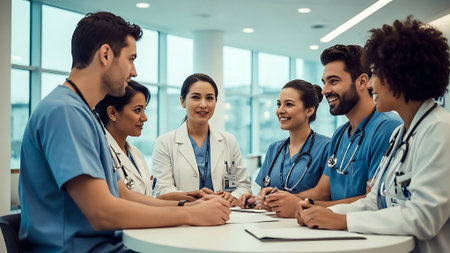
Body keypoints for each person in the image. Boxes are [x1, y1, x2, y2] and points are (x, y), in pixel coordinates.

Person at [19, 12, 230, 253]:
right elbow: (102, 212)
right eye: (131, 59)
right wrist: (190, 214)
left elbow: (122, 195)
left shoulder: (83, 113)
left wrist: (186, 204)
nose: (134, 72)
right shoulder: (65, 112)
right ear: (106, 55)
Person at [296, 17, 450, 253]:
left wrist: (343, 221)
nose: (372, 85)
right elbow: (375, 201)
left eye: (377, 75)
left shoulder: (441, 130)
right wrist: (324, 213)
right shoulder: (401, 134)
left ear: (401, 75)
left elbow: (424, 218)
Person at [257, 44, 402, 217]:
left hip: (364, 235)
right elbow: (322, 191)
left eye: (334, 81)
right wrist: (279, 201)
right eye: (324, 82)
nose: (325, 90)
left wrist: (303, 205)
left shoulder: (387, 128)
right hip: (336, 232)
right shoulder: (340, 135)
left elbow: (373, 200)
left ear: (362, 81)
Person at [96, 80, 208, 201]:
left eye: (144, 110)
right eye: (137, 110)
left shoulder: (136, 154)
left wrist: (188, 197)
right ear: (113, 113)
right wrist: (184, 206)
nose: (145, 118)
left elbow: (145, 199)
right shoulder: (100, 152)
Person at [152, 73, 252, 206]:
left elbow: (244, 185)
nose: (203, 104)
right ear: (182, 101)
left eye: (209, 98)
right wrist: (193, 199)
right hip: (184, 217)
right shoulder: (165, 143)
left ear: (216, 101)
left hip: (225, 216)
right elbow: (162, 190)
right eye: (195, 97)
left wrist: (233, 196)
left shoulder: (229, 141)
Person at [238, 80, 330, 208]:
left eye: (289, 105)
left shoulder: (327, 147)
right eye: (278, 104)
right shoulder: (274, 149)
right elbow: (264, 192)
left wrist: (281, 199)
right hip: (269, 223)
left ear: (309, 110)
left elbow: (326, 193)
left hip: (305, 221)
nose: (280, 110)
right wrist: (255, 199)